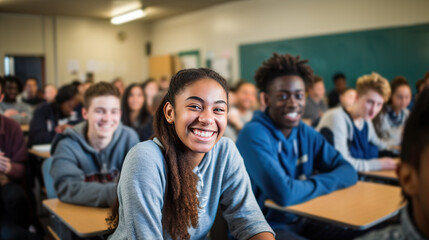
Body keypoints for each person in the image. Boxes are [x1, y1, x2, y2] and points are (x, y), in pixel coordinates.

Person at [108, 68, 275, 240]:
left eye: (218, 109)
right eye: (195, 106)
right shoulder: (145, 158)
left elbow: (249, 222)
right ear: (170, 112)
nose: (208, 118)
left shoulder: (225, 152)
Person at [236, 53, 357, 239]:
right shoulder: (252, 134)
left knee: (363, 233)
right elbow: (284, 194)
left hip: (303, 217)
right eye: (283, 96)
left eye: (299, 96)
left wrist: (301, 187)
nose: (293, 104)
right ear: (266, 100)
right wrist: (319, 184)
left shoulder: (304, 131)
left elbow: (349, 171)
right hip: (264, 228)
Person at [50, 82, 139, 207]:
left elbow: (140, 182)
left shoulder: (130, 138)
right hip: (80, 219)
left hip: (122, 219)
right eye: (100, 111)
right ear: (85, 113)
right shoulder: (67, 144)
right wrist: (122, 193)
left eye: (114, 111)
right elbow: (67, 188)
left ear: (120, 114)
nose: (107, 118)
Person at [358, 88, 429, 240]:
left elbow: (380, 142)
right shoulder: (342, 119)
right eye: (370, 102)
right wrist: (379, 162)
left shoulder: (405, 114)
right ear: (408, 179)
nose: (373, 108)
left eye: (378, 104)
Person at [317, 73, 397, 172]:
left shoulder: (365, 120)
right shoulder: (337, 117)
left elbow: (379, 144)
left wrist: (397, 152)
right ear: (356, 97)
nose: (374, 110)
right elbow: (342, 163)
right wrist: (379, 164)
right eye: (370, 102)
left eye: (379, 104)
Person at [0, 77, 40, 240]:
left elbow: (20, 169)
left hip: (7, 188)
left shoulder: (11, 126)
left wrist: (7, 168)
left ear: (1, 98)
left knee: (15, 197)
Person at [373, 76, 411, 147]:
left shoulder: (407, 114)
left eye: (407, 97)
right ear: (391, 95)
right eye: (400, 97)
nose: (404, 101)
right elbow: (377, 139)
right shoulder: (380, 113)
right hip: (383, 151)